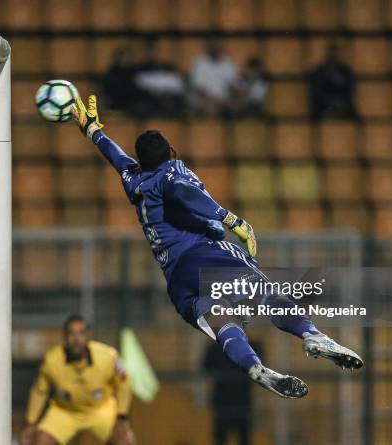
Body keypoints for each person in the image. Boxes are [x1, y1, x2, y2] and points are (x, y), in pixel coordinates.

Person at [71, 95, 364, 400]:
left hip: (177, 279)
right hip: (204, 253)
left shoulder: (134, 177)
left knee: (225, 320)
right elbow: (182, 192)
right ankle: (312, 336)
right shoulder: (171, 175)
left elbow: (116, 156)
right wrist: (231, 219)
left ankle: (253, 367)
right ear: (171, 152)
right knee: (266, 292)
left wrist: (92, 131)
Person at [20, 315, 135, 445]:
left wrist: (122, 416)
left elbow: (124, 384)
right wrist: (30, 423)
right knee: (39, 441)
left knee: (125, 441)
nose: (76, 339)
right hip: (64, 411)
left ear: (88, 336)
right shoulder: (51, 361)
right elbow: (40, 391)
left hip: (100, 409)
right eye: (71, 333)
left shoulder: (108, 357)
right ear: (64, 336)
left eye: (81, 333)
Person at [202, 341, 261, 445]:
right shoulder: (215, 348)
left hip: (241, 404)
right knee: (221, 439)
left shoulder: (252, 346)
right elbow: (205, 367)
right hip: (224, 404)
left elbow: (260, 368)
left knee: (243, 439)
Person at [189, 39, 241, 116]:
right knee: (209, 106)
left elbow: (233, 85)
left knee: (237, 103)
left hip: (224, 99)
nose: (215, 47)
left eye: (217, 45)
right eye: (212, 45)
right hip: (205, 98)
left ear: (221, 46)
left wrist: (231, 94)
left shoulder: (228, 63)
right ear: (208, 47)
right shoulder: (199, 63)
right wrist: (212, 99)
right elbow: (198, 88)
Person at [308, 44, 358, 120]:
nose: (334, 56)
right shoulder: (319, 71)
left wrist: (340, 103)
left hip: (343, 107)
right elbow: (316, 93)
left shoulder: (346, 72)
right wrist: (330, 101)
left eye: (336, 53)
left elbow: (350, 92)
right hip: (323, 107)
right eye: (332, 53)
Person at [103, 46, 138, 112]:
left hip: (131, 106)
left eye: (125, 58)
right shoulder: (111, 74)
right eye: (121, 58)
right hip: (115, 105)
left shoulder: (133, 73)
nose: (123, 60)